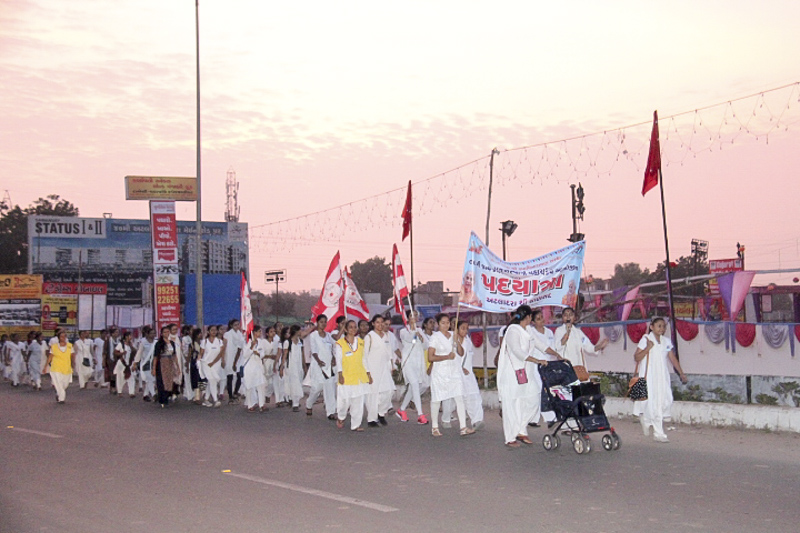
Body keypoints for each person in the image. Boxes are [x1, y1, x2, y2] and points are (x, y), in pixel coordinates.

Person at [497, 305, 554, 448]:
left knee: (533, 398)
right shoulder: (512, 331)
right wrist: (536, 360)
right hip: (512, 374)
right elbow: (517, 351)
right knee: (512, 405)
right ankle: (510, 437)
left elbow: (541, 345)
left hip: (526, 373)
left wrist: (557, 355)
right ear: (528, 317)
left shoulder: (528, 330)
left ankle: (521, 429)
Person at [633, 317, 688, 443]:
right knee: (653, 402)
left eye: (663, 326)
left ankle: (646, 420)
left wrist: (681, 373)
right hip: (649, 376)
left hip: (662, 376)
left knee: (665, 400)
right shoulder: (646, 339)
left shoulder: (666, 341)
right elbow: (636, 357)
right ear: (652, 327)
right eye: (659, 326)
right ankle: (659, 432)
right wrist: (648, 348)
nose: (661, 329)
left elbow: (672, 358)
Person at [427, 313, 474, 437]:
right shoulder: (435, 337)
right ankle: (435, 427)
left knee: (459, 398)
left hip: (454, 371)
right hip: (440, 372)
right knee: (437, 399)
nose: (446, 325)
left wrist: (456, 341)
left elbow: (461, 352)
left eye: (448, 322)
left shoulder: (454, 335)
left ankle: (463, 427)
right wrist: (446, 357)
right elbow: (430, 357)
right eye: (443, 323)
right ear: (438, 324)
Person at [442, 321, 484, 430]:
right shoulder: (450, 340)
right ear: (456, 329)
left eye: (466, 328)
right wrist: (460, 368)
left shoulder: (468, 341)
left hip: (467, 374)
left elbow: (469, 356)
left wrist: (466, 368)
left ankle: (476, 419)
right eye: (462, 328)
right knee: (452, 398)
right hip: (454, 373)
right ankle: (446, 418)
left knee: (473, 395)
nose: (465, 331)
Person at [334, 320, 372, 431]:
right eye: (350, 327)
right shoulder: (340, 343)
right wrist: (340, 374)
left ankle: (355, 425)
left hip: (359, 376)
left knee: (358, 401)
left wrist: (368, 373)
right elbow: (339, 360)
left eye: (355, 327)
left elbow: (364, 359)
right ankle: (341, 417)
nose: (353, 329)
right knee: (343, 402)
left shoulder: (360, 342)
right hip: (346, 376)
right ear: (345, 329)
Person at [527, 308, 561, 425]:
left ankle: (548, 417)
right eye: (538, 319)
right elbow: (542, 347)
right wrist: (556, 354)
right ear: (533, 322)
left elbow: (553, 347)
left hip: (549, 365)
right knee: (538, 391)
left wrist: (556, 357)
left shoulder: (549, 332)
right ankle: (535, 418)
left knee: (549, 390)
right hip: (536, 365)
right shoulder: (531, 332)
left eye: (542, 317)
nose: (541, 320)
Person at [553, 307, 608, 378]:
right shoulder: (559, 331)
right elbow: (558, 346)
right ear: (562, 318)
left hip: (579, 368)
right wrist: (567, 332)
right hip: (565, 368)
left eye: (571, 315)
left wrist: (599, 346)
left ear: (574, 317)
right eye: (565, 315)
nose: (568, 317)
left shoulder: (578, 332)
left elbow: (589, 347)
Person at [397, 310, 429, 425]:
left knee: (415, 386)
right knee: (415, 384)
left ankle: (401, 409)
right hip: (408, 362)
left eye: (416, 315)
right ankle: (420, 414)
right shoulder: (402, 331)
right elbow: (410, 340)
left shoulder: (420, 330)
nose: (414, 317)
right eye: (411, 315)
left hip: (418, 362)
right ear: (407, 318)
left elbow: (426, 346)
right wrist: (415, 334)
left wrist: (421, 337)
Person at [364, 315, 396, 427]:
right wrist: (367, 372)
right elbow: (364, 356)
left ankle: (381, 413)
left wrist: (392, 366)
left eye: (382, 322)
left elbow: (389, 353)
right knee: (373, 394)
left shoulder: (386, 336)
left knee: (389, 391)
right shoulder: (369, 337)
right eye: (377, 322)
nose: (380, 324)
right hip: (373, 369)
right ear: (373, 323)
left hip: (385, 368)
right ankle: (371, 419)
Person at [306, 315, 338, 419]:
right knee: (316, 389)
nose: (323, 324)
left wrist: (333, 358)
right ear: (317, 323)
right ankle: (309, 404)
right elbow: (314, 350)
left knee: (330, 389)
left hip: (328, 366)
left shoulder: (328, 336)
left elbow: (333, 348)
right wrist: (319, 361)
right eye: (321, 322)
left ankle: (331, 412)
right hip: (318, 365)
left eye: (325, 322)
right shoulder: (313, 335)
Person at [242, 326, 268, 412]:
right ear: (254, 333)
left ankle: (261, 404)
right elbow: (245, 355)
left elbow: (263, 354)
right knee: (249, 386)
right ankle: (250, 405)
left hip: (258, 367)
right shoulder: (247, 342)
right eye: (259, 332)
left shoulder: (261, 342)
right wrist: (251, 347)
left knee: (261, 385)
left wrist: (258, 353)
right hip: (249, 368)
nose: (260, 333)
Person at [152, 326, 179, 408]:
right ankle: (162, 399)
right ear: (161, 333)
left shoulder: (172, 343)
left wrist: (177, 367)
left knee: (169, 381)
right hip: (162, 363)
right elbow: (156, 357)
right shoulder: (159, 343)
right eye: (165, 332)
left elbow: (174, 355)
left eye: (168, 332)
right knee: (161, 381)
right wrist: (153, 368)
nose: (166, 334)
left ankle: (167, 396)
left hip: (170, 363)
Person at [44, 330, 73, 404]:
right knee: (58, 383)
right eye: (61, 336)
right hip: (56, 367)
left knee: (65, 384)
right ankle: (61, 399)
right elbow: (50, 356)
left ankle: (58, 393)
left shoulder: (70, 346)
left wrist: (73, 364)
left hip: (66, 368)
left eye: (64, 336)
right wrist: (46, 366)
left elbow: (72, 356)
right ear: (59, 338)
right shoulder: (54, 347)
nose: (63, 338)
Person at [282, 325, 305, 411]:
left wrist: (304, 365)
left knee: (298, 382)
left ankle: (294, 400)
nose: (301, 332)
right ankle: (295, 404)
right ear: (296, 331)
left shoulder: (300, 341)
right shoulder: (288, 342)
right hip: (290, 366)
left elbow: (302, 354)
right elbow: (284, 355)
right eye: (299, 330)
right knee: (294, 384)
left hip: (298, 366)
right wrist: (282, 367)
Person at [222, 319, 245, 403]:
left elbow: (241, 347)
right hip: (229, 357)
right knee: (230, 377)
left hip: (238, 358)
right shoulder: (227, 334)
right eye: (235, 325)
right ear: (231, 326)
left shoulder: (240, 335)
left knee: (239, 377)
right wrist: (222, 359)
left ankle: (235, 392)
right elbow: (224, 347)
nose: (237, 326)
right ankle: (230, 396)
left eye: (238, 324)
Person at [200, 325, 223, 408]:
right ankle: (215, 399)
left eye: (215, 330)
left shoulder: (219, 341)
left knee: (212, 381)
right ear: (208, 331)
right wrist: (199, 361)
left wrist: (213, 362)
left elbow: (220, 354)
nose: (214, 332)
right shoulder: (204, 341)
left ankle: (206, 399)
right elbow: (201, 353)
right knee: (211, 380)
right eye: (212, 330)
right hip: (206, 364)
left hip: (216, 364)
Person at [133, 326, 157, 402]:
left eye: (154, 333)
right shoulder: (143, 342)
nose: (153, 335)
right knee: (149, 379)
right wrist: (135, 363)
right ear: (147, 334)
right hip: (145, 363)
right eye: (151, 333)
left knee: (151, 379)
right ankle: (154, 395)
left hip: (153, 363)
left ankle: (145, 395)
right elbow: (139, 353)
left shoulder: (156, 342)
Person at [113, 331, 136, 397]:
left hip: (129, 363)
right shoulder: (121, 344)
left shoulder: (132, 344)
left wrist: (131, 346)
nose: (131, 337)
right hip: (122, 363)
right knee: (120, 378)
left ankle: (131, 392)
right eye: (130, 336)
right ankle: (120, 392)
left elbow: (135, 352)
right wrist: (122, 354)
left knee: (131, 378)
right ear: (126, 337)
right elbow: (115, 352)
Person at [260, 326, 277, 405]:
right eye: (271, 331)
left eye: (274, 331)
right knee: (265, 382)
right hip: (265, 362)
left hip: (273, 363)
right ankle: (262, 398)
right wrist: (270, 356)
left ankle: (267, 395)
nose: (273, 333)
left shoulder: (276, 342)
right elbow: (261, 354)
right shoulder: (263, 342)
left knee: (271, 383)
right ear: (267, 333)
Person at [103, 327, 120, 394]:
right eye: (116, 332)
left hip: (117, 359)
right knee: (112, 374)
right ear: (112, 334)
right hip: (110, 359)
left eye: (118, 332)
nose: (117, 334)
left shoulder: (119, 340)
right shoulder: (108, 340)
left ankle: (113, 387)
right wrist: (104, 360)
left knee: (116, 374)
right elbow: (105, 351)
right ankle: (113, 388)